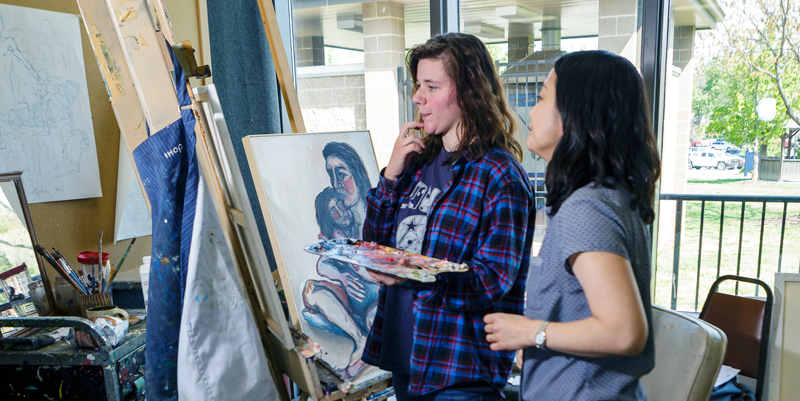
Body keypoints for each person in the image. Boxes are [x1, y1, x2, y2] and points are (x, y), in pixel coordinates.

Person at [361, 32, 535, 400]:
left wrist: (409, 274)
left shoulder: (500, 175)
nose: (417, 98)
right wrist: (390, 175)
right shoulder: (418, 160)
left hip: (459, 371)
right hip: (406, 356)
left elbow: (491, 281)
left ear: (468, 91)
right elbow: (375, 243)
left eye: (431, 86)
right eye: (417, 85)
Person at [483, 50, 661, 401]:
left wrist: (532, 332)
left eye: (541, 98)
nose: (530, 112)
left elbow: (624, 332)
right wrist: (543, 347)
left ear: (575, 113)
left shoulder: (587, 208)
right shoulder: (608, 196)